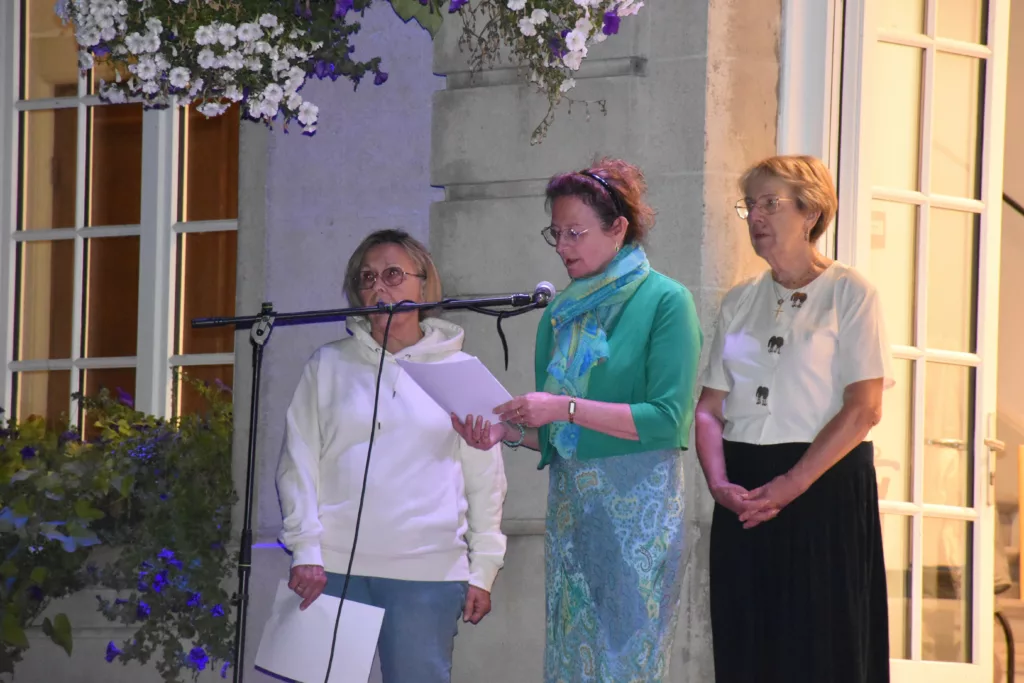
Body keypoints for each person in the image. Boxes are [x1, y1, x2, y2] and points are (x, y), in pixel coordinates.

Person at [452, 159, 702, 682]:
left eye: (575, 232)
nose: (563, 246)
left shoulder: (667, 301)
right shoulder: (561, 312)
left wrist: (561, 407)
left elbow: (667, 420)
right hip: (573, 514)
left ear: (618, 228)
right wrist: (507, 431)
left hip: (637, 515)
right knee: (571, 665)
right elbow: (561, 437)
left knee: (625, 666)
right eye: (556, 233)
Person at [276, 229, 508, 683]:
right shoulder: (327, 365)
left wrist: (483, 569)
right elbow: (298, 463)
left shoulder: (459, 372)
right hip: (331, 569)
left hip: (426, 574)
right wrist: (305, 549)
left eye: (393, 275)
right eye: (367, 278)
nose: (378, 287)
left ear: (424, 285)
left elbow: (486, 483)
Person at [695, 155, 892, 683]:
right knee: (747, 650)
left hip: (821, 486)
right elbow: (709, 409)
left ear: (810, 212)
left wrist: (791, 483)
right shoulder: (739, 301)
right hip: (743, 491)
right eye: (750, 205)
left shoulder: (850, 292)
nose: (756, 216)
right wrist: (719, 483)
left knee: (820, 651)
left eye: (770, 203)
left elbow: (864, 408)